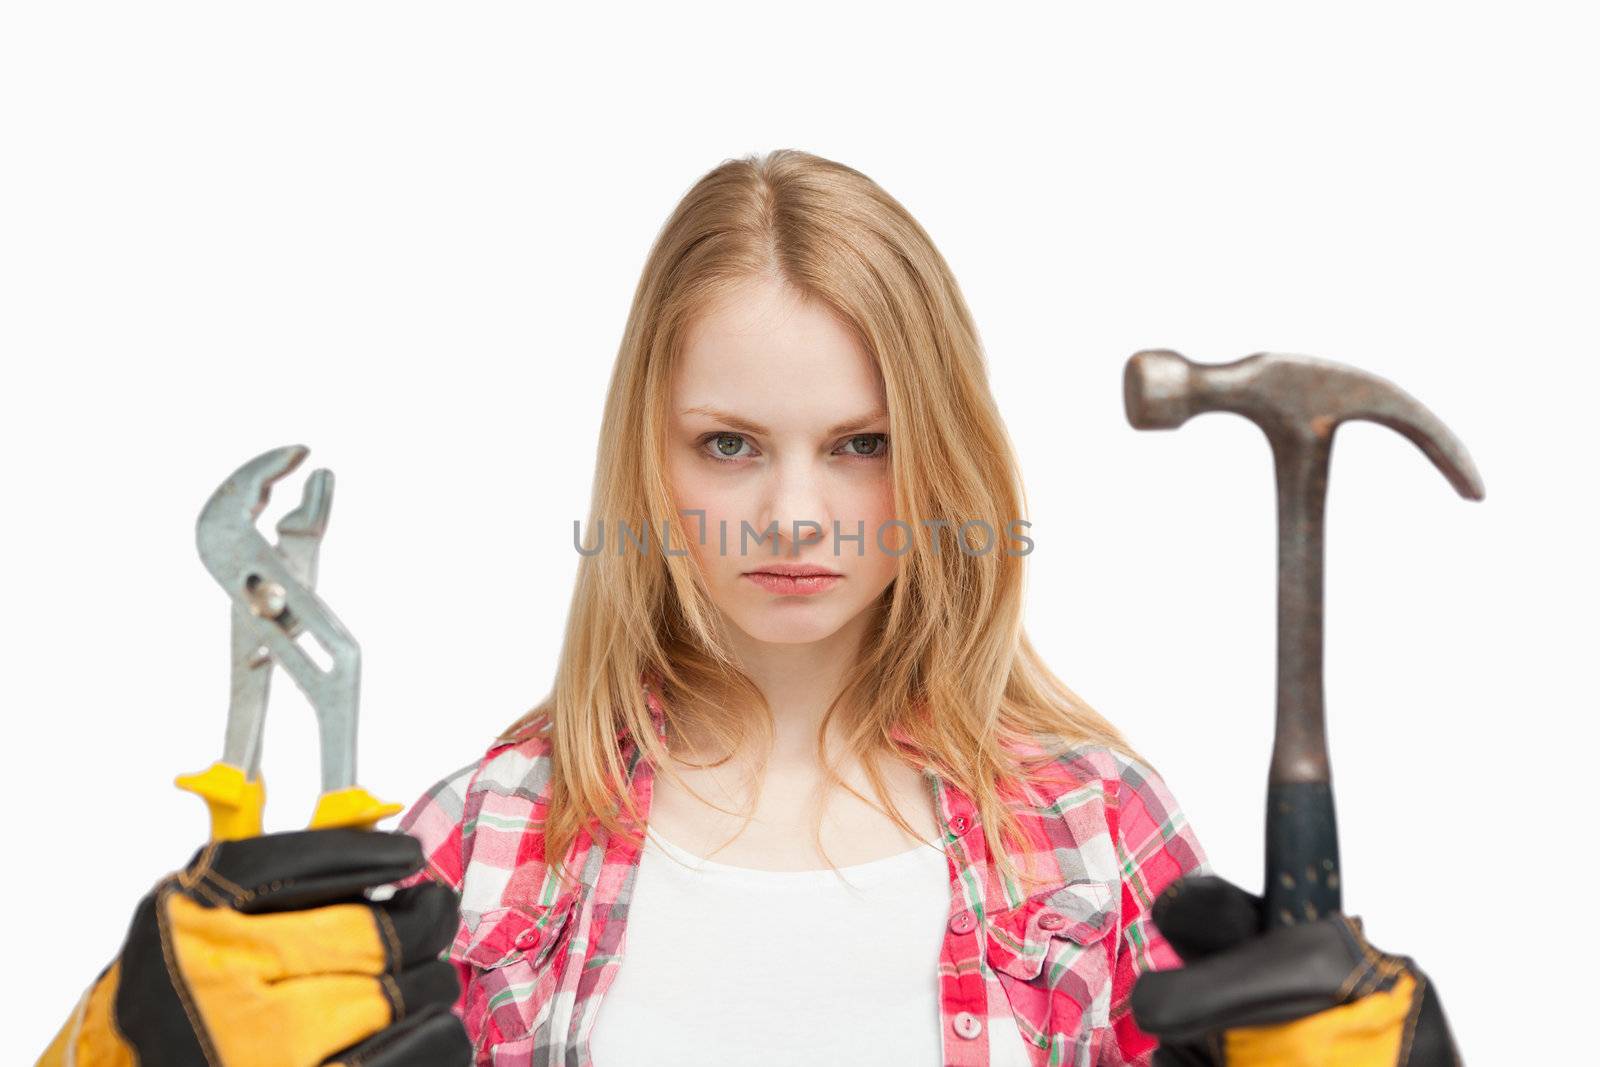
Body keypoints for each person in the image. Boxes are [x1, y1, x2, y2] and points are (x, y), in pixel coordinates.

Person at [40, 149, 1459, 1067]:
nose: (794, 513)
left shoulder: (1096, 828)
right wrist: (127, 1043)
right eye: (730, 443)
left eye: (863, 444)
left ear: (946, 452)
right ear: (645, 458)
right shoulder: (485, 835)